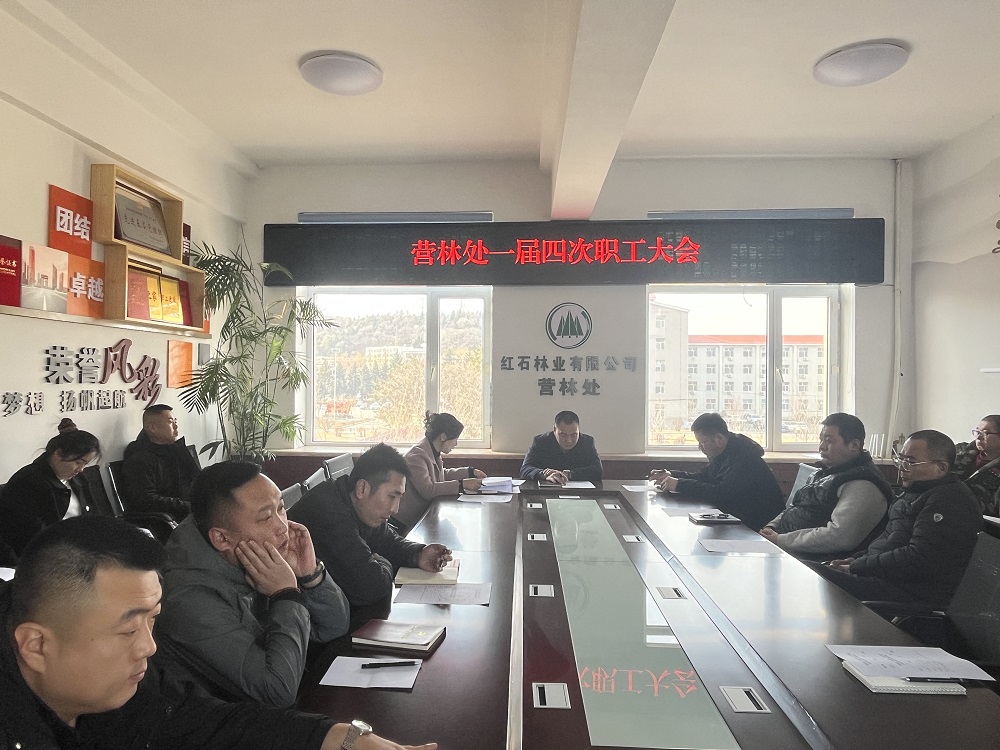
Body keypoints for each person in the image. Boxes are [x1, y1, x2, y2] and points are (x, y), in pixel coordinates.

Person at [0, 515, 436, 750]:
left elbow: (210, 721)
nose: (148, 646)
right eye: (128, 629)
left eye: (152, 620)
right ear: (36, 645)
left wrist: (342, 738)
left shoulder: (126, 686)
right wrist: (287, 595)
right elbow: (274, 689)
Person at [154, 461, 350, 708]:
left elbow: (334, 627)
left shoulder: (256, 559)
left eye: (281, 508)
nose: (282, 527)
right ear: (221, 538)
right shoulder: (189, 599)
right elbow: (276, 692)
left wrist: (309, 575)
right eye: (266, 517)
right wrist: (286, 595)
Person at [815, 430, 982, 608]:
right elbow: (889, 539)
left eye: (911, 462)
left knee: (812, 575)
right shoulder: (915, 492)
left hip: (910, 592)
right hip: (884, 576)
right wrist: (855, 559)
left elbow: (918, 558)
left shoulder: (950, 501)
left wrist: (858, 566)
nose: (902, 467)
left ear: (940, 468)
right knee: (807, 570)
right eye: (901, 459)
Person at [288, 443, 452, 611]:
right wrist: (383, 562)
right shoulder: (328, 513)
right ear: (362, 488)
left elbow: (387, 540)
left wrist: (418, 554)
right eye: (392, 496)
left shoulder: (352, 501)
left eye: (399, 498)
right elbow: (371, 587)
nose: (395, 509)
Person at [760, 413, 895, 560]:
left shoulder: (863, 484)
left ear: (854, 445)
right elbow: (795, 507)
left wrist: (781, 540)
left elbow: (839, 537)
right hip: (787, 548)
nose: (821, 447)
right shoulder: (824, 472)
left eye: (829, 441)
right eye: (821, 440)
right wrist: (771, 527)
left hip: (819, 562)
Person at [649, 413, 784, 530]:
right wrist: (672, 475)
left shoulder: (744, 459)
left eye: (703, 442)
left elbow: (721, 493)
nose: (700, 448)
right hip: (737, 518)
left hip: (758, 527)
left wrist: (679, 484)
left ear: (718, 439)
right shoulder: (726, 452)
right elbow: (704, 477)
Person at [0, 418, 101, 558]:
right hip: (45, 554)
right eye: (78, 462)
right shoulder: (28, 482)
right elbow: (32, 536)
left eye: (85, 464)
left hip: (76, 547)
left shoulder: (77, 479)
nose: (81, 469)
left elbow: (93, 515)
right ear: (57, 454)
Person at [397, 412, 487, 530]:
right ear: (443, 437)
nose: (456, 443)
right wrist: (462, 485)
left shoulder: (432, 451)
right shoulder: (416, 456)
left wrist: (470, 472)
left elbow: (441, 475)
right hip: (407, 524)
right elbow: (428, 490)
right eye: (455, 439)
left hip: (424, 517)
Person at [120, 404, 201, 520]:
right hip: (166, 517)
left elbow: (196, 478)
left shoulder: (175, 449)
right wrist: (187, 506)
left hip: (189, 508)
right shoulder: (140, 457)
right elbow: (145, 499)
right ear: (153, 428)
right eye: (170, 422)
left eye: (175, 421)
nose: (176, 426)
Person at [520, 410, 603, 485]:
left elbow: (598, 471)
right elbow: (525, 469)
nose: (569, 440)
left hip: (579, 492)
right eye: (563, 435)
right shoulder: (541, 441)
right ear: (554, 430)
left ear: (579, 430)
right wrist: (544, 474)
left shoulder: (587, 442)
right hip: (547, 492)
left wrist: (569, 474)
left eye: (574, 435)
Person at [951, 414, 1000, 516]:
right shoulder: (958, 451)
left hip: (979, 519)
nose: (978, 436)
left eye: (985, 433)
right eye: (977, 431)